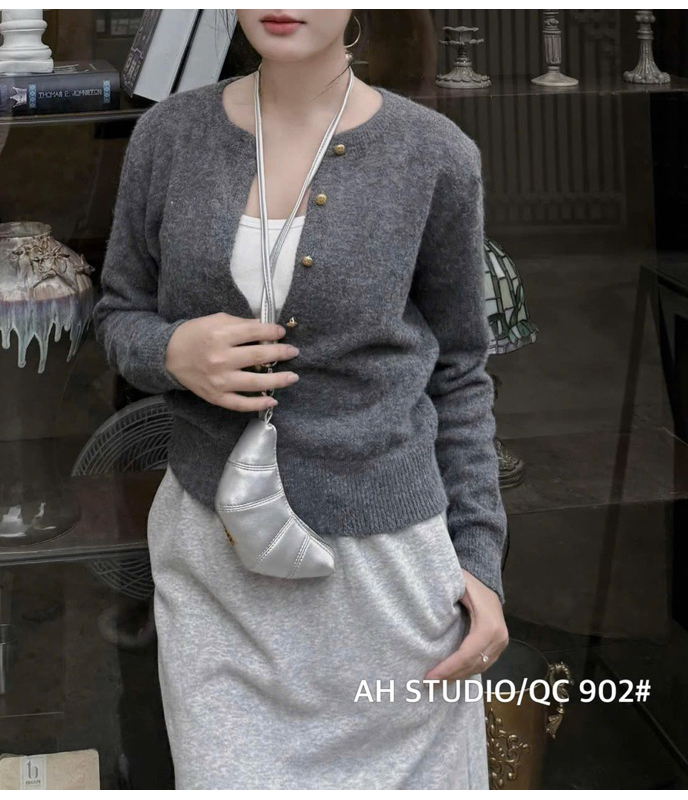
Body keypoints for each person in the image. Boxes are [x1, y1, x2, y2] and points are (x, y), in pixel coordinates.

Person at [93, 9, 509, 790]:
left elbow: (459, 372)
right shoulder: (168, 137)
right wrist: (171, 352)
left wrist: (481, 563)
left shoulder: (435, 155)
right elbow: (119, 313)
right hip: (216, 570)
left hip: (386, 580)